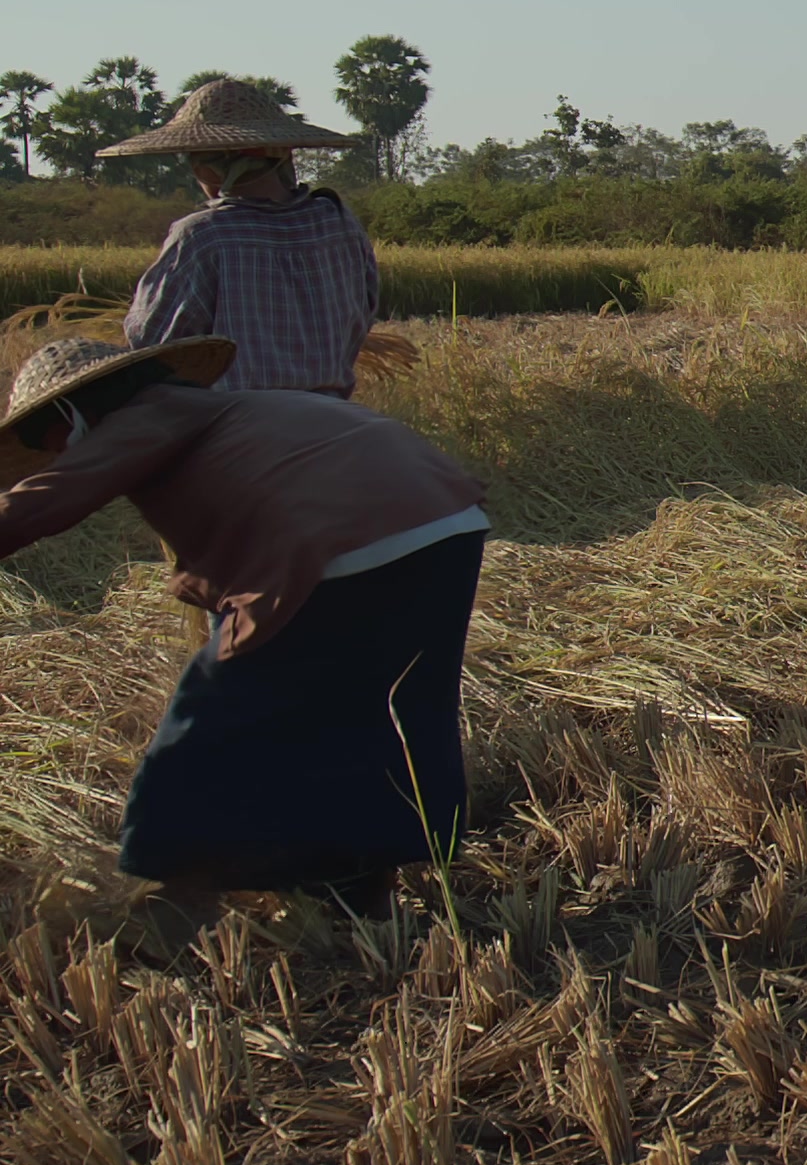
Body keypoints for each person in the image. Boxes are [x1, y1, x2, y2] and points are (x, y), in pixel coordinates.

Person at [0, 336, 491, 918]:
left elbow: (46, 501)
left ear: (74, 412)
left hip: (347, 540)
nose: (53, 453)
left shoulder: (150, 414)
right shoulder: (233, 413)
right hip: (444, 527)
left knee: (216, 713)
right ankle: (360, 887)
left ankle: (177, 898)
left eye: (44, 438)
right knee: (374, 714)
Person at [106, 79, 383, 396]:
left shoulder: (204, 235)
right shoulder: (339, 221)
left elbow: (152, 345)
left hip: (243, 417)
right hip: (336, 413)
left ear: (210, 170)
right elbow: (364, 314)